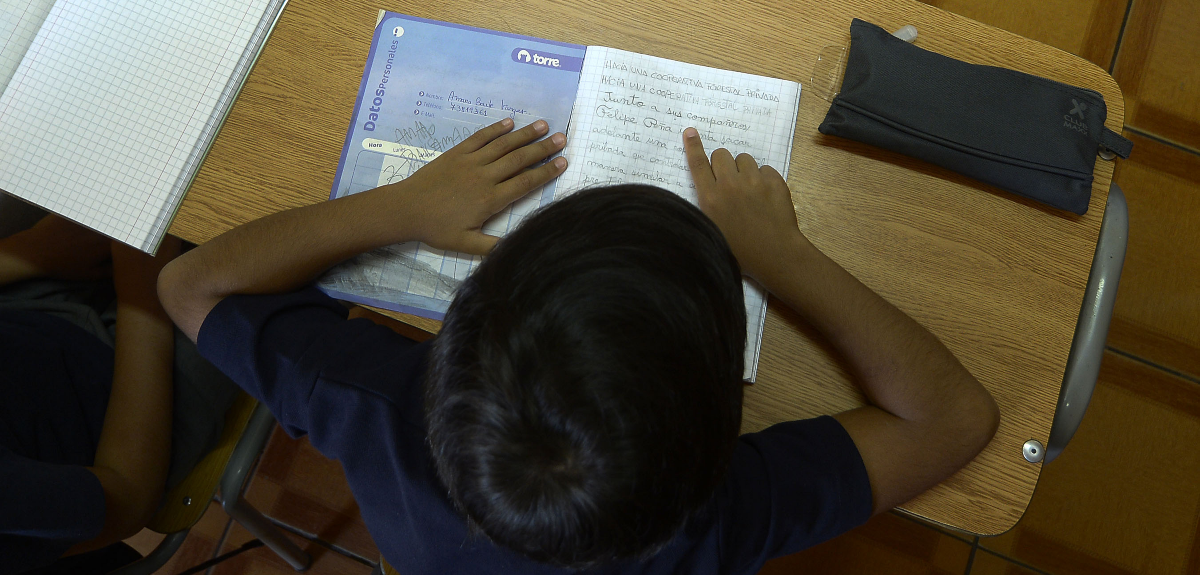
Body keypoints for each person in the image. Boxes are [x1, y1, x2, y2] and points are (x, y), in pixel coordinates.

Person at [158, 118, 1000, 574]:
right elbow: (955, 417)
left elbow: (189, 287)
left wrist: (399, 209)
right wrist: (786, 260)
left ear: (457, 334)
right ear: (723, 421)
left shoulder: (378, 409)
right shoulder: (711, 525)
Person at [0, 209, 238, 575]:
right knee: (249, 260)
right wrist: (144, 298)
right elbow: (127, 498)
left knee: (124, 200)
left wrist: (30, 250)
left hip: (20, 316)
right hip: (137, 419)